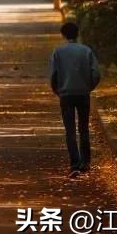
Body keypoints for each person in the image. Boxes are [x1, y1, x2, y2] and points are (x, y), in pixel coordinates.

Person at [48, 21, 101, 178]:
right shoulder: (86, 51)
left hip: (65, 94)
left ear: (63, 35)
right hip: (83, 94)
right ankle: (86, 162)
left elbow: (53, 75)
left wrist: (57, 90)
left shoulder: (58, 52)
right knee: (83, 128)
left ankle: (74, 163)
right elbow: (96, 74)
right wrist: (88, 87)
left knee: (70, 129)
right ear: (77, 34)